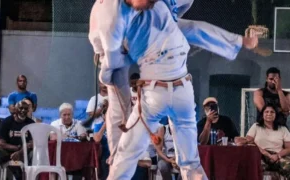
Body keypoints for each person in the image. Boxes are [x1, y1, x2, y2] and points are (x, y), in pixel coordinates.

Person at [88, 0, 259, 179]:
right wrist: (241, 42)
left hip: (158, 95)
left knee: (126, 154)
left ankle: (117, 156)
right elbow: (195, 28)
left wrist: (105, 71)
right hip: (180, 92)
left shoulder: (152, 15)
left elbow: (114, 69)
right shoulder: (114, 19)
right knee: (190, 163)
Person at [237, 104, 290, 179]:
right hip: (260, 155)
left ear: (276, 115)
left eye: (272, 112)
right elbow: (249, 141)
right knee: (252, 168)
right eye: (266, 112)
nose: (269, 114)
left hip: (277, 156)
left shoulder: (283, 129)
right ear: (262, 114)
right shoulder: (256, 126)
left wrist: (278, 155)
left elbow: (289, 148)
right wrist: (242, 140)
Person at [0, 100, 34, 180]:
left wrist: (20, 152)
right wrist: (16, 148)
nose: (23, 111)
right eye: (21, 108)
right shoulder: (6, 122)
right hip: (8, 151)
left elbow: (32, 143)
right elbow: (0, 142)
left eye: (25, 109)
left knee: (33, 154)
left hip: (24, 152)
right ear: (15, 109)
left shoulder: (31, 123)